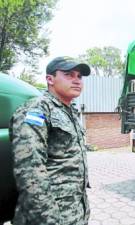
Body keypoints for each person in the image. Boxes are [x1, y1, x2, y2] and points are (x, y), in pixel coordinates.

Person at [9, 56, 91, 225]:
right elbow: (29, 171)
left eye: (79, 76)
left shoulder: (70, 111)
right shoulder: (36, 110)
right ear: (50, 79)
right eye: (69, 74)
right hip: (47, 215)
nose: (77, 81)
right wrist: (50, 219)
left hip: (74, 211)